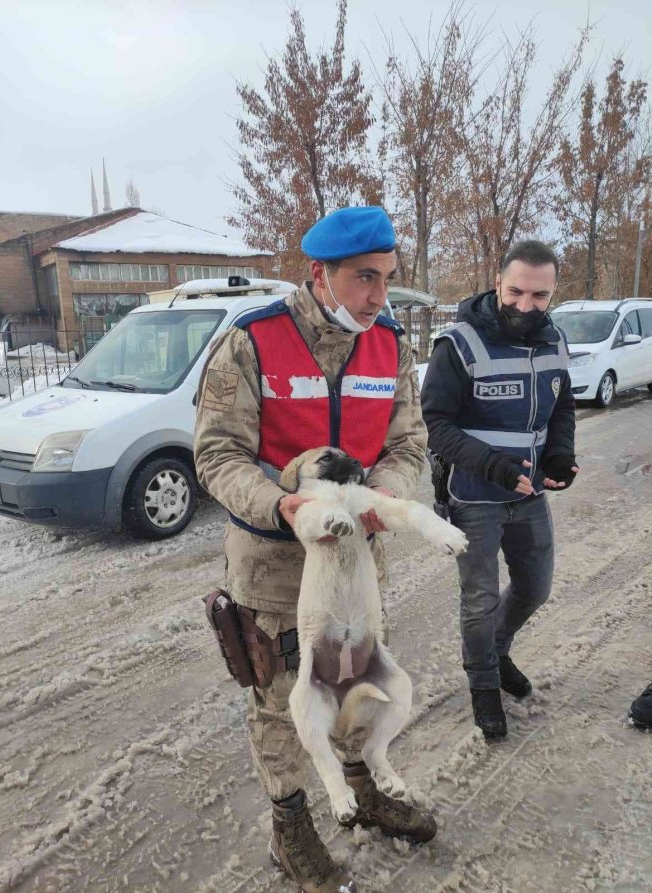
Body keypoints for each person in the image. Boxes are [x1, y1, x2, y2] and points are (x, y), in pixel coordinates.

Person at [194, 206, 435, 893]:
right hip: (274, 566)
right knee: (279, 696)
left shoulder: (390, 344)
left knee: (360, 680)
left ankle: (361, 788)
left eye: (387, 279)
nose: (378, 296)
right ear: (319, 275)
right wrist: (282, 506)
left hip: (358, 562)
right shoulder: (252, 343)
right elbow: (216, 454)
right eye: (364, 278)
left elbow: (407, 442)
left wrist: (383, 495)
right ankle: (289, 823)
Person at [421, 240, 578, 740]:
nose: (525, 306)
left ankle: (497, 650)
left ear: (552, 293)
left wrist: (559, 454)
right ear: (498, 284)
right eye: (516, 292)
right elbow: (437, 425)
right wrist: (493, 465)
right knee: (480, 600)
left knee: (535, 588)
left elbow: (562, 408)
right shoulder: (459, 343)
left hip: (529, 494)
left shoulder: (554, 341)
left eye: (539, 296)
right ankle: (484, 684)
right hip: (474, 496)